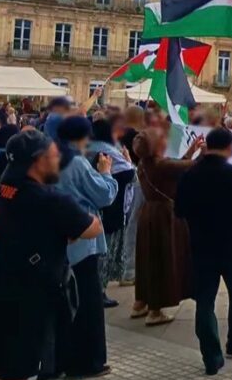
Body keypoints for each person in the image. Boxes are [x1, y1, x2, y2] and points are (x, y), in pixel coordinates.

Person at [0, 130, 102, 380]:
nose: (58, 160)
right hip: (23, 299)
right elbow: (92, 227)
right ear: (38, 161)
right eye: (54, 156)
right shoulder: (48, 199)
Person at [175, 128, 232, 375]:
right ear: (228, 147)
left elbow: (179, 210)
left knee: (205, 302)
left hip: (201, 246)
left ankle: (211, 356)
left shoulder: (189, 175)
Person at [53, 115, 118, 378]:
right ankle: (89, 361)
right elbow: (104, 195)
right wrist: (106, 172)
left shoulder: (51, 158)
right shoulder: (77, 163)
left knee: (65, 303)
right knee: (88, 303)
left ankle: (60, 360)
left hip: (58, 241)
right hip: (83, 239)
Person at [132, 128, 203, 326]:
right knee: (161, 260)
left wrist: (191, 150)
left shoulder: (145, 163)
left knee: (147, 258)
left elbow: (176, 166)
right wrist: (204, 153)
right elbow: (190, 167)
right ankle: (155, 311)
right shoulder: (160, 164)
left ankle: (140, 302)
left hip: (149, 213)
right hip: (163, 215)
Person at [86, 116, 135, 308]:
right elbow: (131, 176)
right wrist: (128, 160)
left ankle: (97, 290)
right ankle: (100, 292)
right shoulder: (108, 152)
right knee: (105, 252)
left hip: (93, 208)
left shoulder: (86, 149)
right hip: (111, 207)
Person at [119, 105, 145, 288]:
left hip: (123, 184)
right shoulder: (135, 136)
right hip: (136, 181)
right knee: (133, 225)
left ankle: (125, 267)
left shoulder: (120, 135)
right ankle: (129, 270)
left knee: (128, 225)